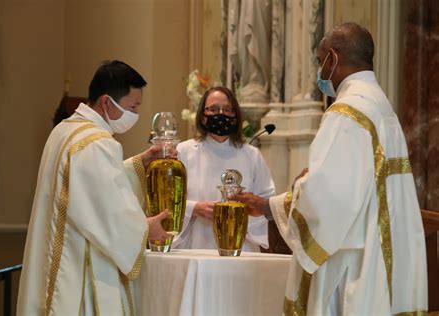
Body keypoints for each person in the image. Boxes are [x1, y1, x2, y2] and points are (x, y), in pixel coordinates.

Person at [233, 22, 428, 315]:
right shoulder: (380, 106)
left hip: (352, 267)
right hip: (380, 259)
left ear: (332, 59)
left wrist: (279, 200)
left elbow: (327, 200)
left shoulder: (346, 112)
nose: (320, 73)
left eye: (319, 61)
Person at [17, 60, 171, 316]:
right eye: (132, 107)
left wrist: (139, 163)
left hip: (57, 255)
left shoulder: (65, 131)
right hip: (79, 267)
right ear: (107, 102)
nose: (135, 114)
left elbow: (86, 189)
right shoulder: (97, 143)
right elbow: (106, 209)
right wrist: (145, 229)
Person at [172, 86, 275, 252]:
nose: (221, 114)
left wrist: (241, 209)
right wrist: (194, 208)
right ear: (202, 116)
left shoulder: (251, 155)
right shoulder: (184, 152)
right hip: (195, 244)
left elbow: (266, 200)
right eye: (213, 109)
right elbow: (169, 200)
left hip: (241, 245)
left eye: (227, 110)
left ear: (235, 115)